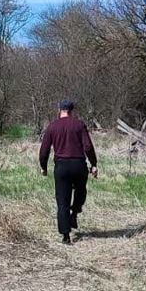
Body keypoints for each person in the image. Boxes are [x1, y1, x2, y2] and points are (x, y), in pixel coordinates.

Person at [39, 100, 98, 245]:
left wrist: (44, 167)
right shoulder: (79, 124)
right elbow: (88, 147)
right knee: (80, 192)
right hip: (79, 165)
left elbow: (44, 150)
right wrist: (94, 164)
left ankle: (66, 236)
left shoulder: (52, 126)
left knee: (62, 201)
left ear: (59, 110)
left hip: (62, 167)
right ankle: (75, 213)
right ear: (72, 111)